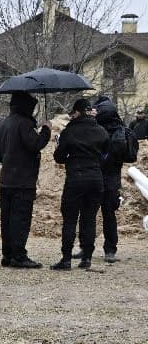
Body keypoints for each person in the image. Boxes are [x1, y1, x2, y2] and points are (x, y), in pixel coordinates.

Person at [0, 92, 51, 269]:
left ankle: (7, 255)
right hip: (23, 180)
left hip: (6, 179)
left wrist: (6, 159)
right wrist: (46, 130)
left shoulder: (5, 123)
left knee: (7, 218)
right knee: (20, 218)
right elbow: (35, 144)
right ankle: (19, 256)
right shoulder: (24, 123)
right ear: (26, 106)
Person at [51, 99, 109, 270]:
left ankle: (66, 259)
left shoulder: (70, 131)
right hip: (95, 179)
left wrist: (58, 144)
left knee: (69, 219)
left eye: (72, 113)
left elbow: (59, 158)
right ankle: (87, 258)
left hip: (75, 179)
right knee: (89, 219)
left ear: (77, 112)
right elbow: (106, 154)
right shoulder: (101, 131)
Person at [93, 96, 124, 263]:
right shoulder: (119, 127)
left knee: (88, 213)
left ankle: (85, 247)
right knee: (109, 214)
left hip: (96, 173)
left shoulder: (96, 127)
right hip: (113, 176)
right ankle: (110, 250)